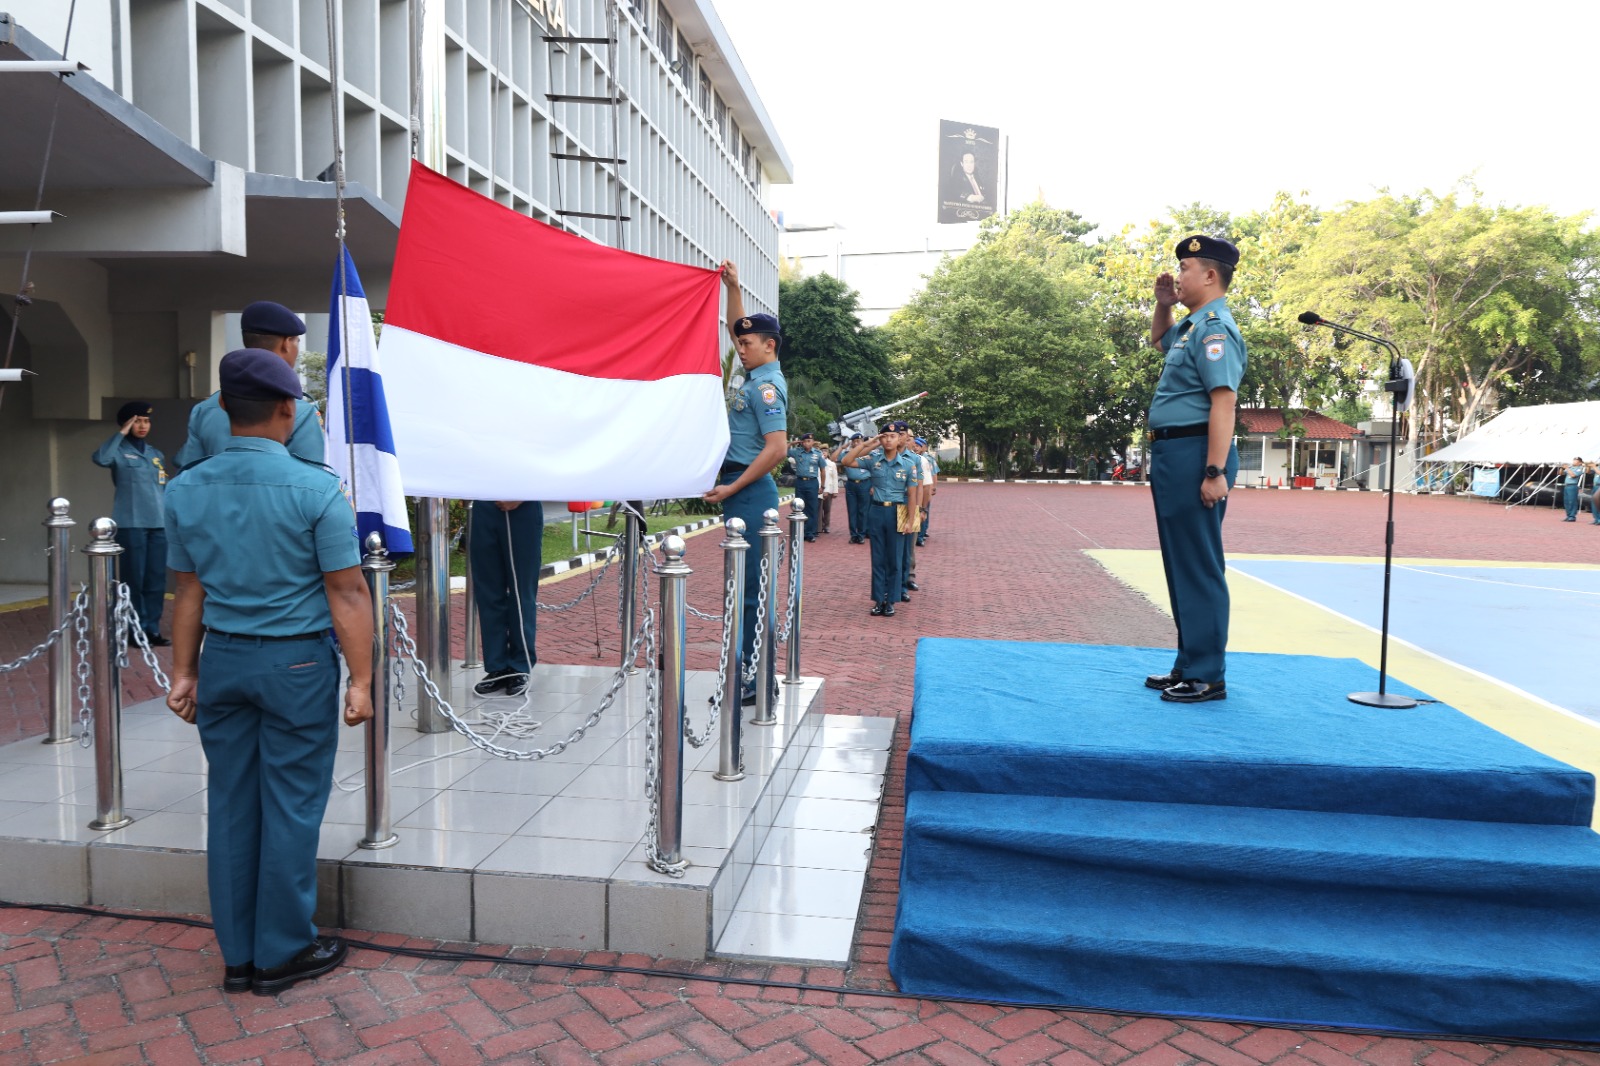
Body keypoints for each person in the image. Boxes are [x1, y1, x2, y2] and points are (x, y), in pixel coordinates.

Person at [163, 348, 372, 996]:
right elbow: (347, 592)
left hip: (223, 659)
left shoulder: (184, 489)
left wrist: (183, 672)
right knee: (290, 805)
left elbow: (188, 592)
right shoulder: (315, 489)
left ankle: (239, 956)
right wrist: (361, 681)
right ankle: (281, 951)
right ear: (290, 409)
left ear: (223, 409)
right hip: (297, 663)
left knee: (230, 805)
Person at [1144, 235, 1247, 705]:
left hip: (1195, 454)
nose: (1178, 277)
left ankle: (1208, 673)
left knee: (1200, 565)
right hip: (1175, 454)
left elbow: (1223, 401)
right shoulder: (1190, 326)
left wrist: (1213, 469)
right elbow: (1159, 342)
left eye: (1185, 269)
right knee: (1180, 563)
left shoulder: (1215, 330)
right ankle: (1188, 663)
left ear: (1210, 275)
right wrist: (1164, 305)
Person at [704, 261, 787, 702]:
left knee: (752, 593)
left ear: (769, 346)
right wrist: (733, 287)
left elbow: (777, 449)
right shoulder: (750, 373)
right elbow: (741, 325)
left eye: (748, 343)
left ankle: (757, 681)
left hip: (750, 492)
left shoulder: (767, 387)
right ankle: (747, 676)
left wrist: (733, 489)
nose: (740, 347)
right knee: (742, 590)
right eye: (739, 341)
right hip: (739, 491)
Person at [175, 302, 325, 469]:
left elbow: (187, 470)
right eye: (296, 341)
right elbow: (312, 481)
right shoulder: (300, 412)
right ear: (286, 343)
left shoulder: (204, 410)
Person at [92, 401, 171, 645]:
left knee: (156, 581)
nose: (143, 425)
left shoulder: (155, 454)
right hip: (131, 524)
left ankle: (151, 629)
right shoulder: (117, 450)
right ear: (127, 423)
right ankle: (131, 630)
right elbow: (101, 458)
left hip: (158, 524)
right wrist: (121, 433)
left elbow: (162, 488)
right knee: (133, 581)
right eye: (137, 420)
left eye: (146, 421)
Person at [841, 420, 919, 616]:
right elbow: (846, 461)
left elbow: (912, 495)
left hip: (898, 512)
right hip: (876, 511)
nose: (888, 440)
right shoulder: (873, 459)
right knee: (877, 558)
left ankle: (891, 600)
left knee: (894, 558)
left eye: (893, 436)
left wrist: (911, 521)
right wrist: (869, 443)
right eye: (884, 437)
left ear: (899, 438)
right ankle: (878, 599)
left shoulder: (909, 465)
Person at [470, 499, 543, 697]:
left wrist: (521, 495)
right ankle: (497, 666)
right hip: (484, 504)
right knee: (488, 591)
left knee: (522, 592)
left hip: (523, 507)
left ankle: (520, 666)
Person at [834, 434, 871, 543]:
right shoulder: (846, 454)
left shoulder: (869, 453)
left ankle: (861, 535)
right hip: (851, 484)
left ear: (863, 441)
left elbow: (875, 469)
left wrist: (873, 485)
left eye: (858, 441)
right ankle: (853, 535)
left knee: (863, 511)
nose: (856, 443)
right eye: (854, 441)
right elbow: (833, 458)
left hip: (865, 483)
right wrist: (842, 447)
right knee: (852, 510)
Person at [787, 433, 824, 541]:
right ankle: (801, 532)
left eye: (809, 441)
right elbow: (784, 450)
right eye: (805, 441)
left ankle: (811, 533)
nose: (807, 443)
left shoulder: (817, 454)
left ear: (813, 442)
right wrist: (793, 443)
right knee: (799, 507)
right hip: (800, 482)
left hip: (812, 482)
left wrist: (823, 486)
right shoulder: (797, 452)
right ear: (802, 442)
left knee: (812, 508)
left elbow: (823, 470)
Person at [913, 437, 938, 546]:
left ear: (924, 447)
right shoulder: (911, 457)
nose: (916, 448)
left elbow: (933, 474)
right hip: (914, 490)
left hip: (925, 488)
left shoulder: (928, 459)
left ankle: (921, 535)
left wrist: (933, 488)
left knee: (924, 510)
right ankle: (916, 534)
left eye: (919, 446)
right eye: (915, 446)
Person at [820, 450, 839, 534]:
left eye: (825, 452)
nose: (823, 453)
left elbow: (835, 478)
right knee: (819, 509)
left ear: (828, 453)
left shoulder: (832, 464)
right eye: (821, 451)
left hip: (829, 489)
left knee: (827, 509)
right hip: (819, 489)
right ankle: (819, 526)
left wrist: (835, 491)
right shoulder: (817, 463)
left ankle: (826, 525)